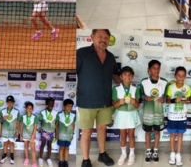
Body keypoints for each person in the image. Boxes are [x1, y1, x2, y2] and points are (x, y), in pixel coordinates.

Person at [77, 29, 120, 167]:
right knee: (86, 131)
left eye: (106, 37)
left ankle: (102, 154)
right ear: (92, 37)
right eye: (100, 36)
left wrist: (126, 85)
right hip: (86, 101)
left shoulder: (111, 57)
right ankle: (85, 160)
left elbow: (115, 75)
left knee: (102, 129)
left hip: (105, 101)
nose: (103, 39)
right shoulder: (81, 53)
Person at [139, 60, 168, 165]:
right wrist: (144, 97)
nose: (156, 70)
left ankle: (155, 151)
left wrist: (163, 99)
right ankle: (148, 151)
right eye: (153, 68)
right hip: (148, 112)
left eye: (158, 68)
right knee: (147, 132)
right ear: (149, 70)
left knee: (157, 132)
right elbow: (139, 96)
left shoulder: (164, 82)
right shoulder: (143, 82)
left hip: (159, 112)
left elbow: (167, 97)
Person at [112, 66, 140, 166]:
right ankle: (123, 154)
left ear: (132, 76)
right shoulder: (116, 89)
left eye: (129, 75)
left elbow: (137, 105)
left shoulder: (135, 89)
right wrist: (119, 102)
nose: (127, 77)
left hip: (131, 114)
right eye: (125, 75)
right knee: (123, 135)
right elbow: (114, 105)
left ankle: (132, 154)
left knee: (131, 135)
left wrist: (134, 101)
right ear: (120, 76)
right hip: (121, 114)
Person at [166, 67, 191, 166]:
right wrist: (175, 100)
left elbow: (188, 100)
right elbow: (167, 100)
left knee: (180, 135)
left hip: (182, 116)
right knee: (172, 134)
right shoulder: (171, 87)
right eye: (179, 75)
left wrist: (186, 101)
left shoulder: (188, 88)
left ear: (185, 76)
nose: (181, 77)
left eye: (183, 75)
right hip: (172, 116)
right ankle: (172, 153)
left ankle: (178, 154)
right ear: (175, 76)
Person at [0, 96, 19, 165]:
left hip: (12, 131)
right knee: (5, 143)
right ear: (6, 103)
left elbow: (18, 122)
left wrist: (17, 131)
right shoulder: (3, 111)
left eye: (11, 102)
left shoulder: (16, 111)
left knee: (12, 143)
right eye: (8, 102)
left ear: (13, 103)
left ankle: (12, 155)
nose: (10, 103)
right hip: (4, 131)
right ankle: (4, 155)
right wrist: (3, 118)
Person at [37, 98, 57, 167]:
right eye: (49, 103)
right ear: (46, 104)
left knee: (49, 145)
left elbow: (56, 123)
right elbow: (41, 121)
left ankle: (48, 159)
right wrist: (43, 129)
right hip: (44, 131)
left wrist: (55, 132)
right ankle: (40, 158)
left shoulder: (55, 113)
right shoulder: (42, 112)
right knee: (42, 144)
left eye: (52, 103)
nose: (51, 105)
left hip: (52, 131)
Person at [55, 99, 75, 167]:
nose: (69, 108)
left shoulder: (73, 115)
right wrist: (56, 133)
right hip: (61, 135)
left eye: (71, 106)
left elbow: (73, 125)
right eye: (68, 106)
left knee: (67, 148)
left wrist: (72, 133)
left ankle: (65, 161)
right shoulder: (59, 114)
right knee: (62, 147)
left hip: (69, 135)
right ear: (64, 106)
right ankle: (61, 161)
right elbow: (56, 125)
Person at [20, 102, 39, 167]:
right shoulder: (23, 117)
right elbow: (21, 126)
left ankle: (34, 162)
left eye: (31, 108)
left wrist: (33, 136)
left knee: (33, 149)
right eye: (28, 108)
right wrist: (21, 135)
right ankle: (27, 158)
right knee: (26, 146)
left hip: (31, 135)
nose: (29, 109)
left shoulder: (35, 117)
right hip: (25, 134)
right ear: (25, 109)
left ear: (32, 109)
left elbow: (35, 127)